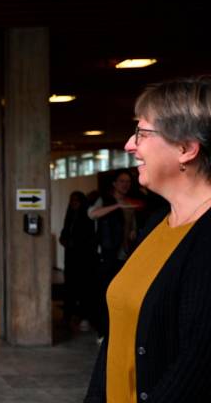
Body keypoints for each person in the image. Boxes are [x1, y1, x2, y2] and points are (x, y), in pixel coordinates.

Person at [85, 76, 211, 403]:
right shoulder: (158, 223)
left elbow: (196, 367)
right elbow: (118, 341)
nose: (130, 144)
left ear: (186, 148)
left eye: (142, 132)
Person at [87, 169, 143, 338]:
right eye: (122, 181)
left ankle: (117, 330)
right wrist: (117, 206)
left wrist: (133, 231)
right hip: (107, 253)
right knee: (104, 292)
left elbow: (132, 225)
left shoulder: (130, 202)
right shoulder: (104, 200)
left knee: (120, 293)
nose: (125, 185)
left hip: (125, 254)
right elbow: (92, 214)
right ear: (114, 183)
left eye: (128, 182)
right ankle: (102, 331)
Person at [58, 191, 96, 330]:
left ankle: (83, 317)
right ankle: (67, 317)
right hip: (70, 258)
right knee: (69, 287)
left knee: (83, 288)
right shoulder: (69, 216)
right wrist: (64, 241)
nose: (73, 203)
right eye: (71, 201)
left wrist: (76, 243)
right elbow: (64, 233)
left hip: (84, 259)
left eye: (76, 201)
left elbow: (89, 238)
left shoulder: (86, 217)